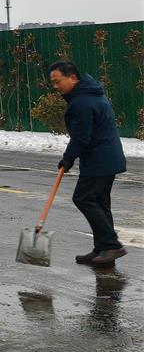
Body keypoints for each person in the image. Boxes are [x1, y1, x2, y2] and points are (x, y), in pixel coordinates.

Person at [50, 61, 128, 266]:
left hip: (99, 159)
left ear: (72, 77)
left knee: (83, 198)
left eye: (58, 81)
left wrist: (67, 158)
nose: (56, 86)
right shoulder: (92, 94)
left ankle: (111, 245)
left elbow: (81, 137)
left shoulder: (81, 102)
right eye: (53, 83)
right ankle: (103, 249)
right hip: (107, 157)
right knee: (100, 203)